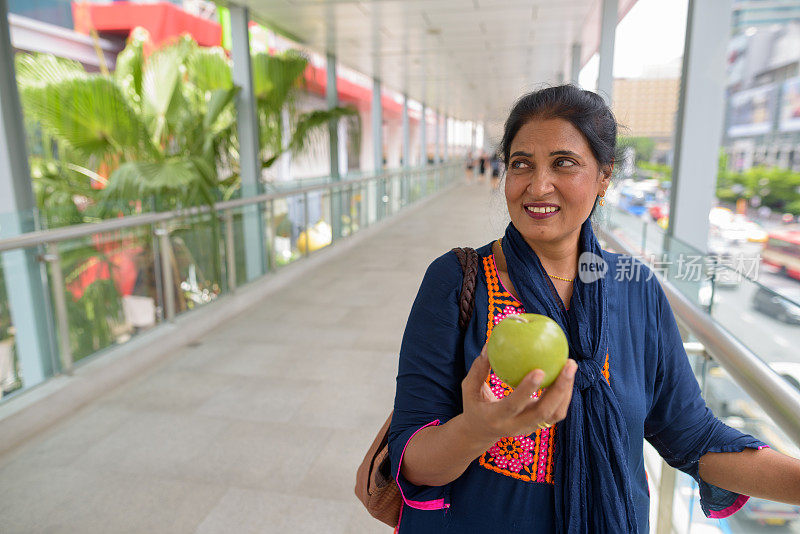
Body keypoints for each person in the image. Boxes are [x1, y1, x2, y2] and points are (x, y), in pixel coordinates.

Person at [387, 84, 800, 533]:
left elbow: (692, 436)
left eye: (563, 163)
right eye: (522, 164)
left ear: (604, 176)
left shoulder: (635, 288)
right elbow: (413, 460)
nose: (537, 185)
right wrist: (478, 429)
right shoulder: (457, 280)